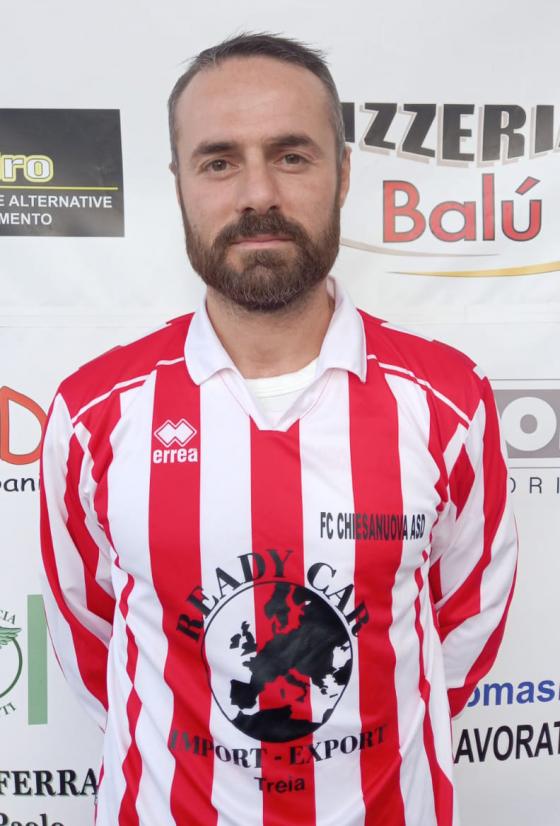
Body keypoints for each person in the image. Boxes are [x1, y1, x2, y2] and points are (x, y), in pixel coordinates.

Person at [40, 32, 517, 826]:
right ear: (179, 183)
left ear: (343, 175)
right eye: (219, 161)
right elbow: (94, 644)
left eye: (292, 156)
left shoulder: (447, 401)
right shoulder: (95, 414)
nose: (257, 193)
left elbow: (462, 628)